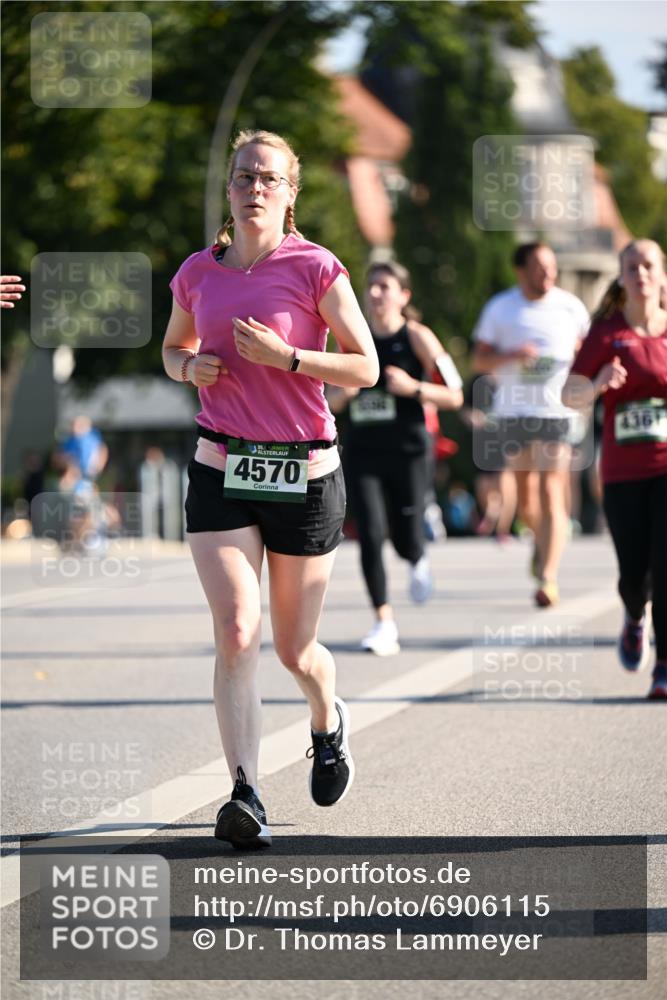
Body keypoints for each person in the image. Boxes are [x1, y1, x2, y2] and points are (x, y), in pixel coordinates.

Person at [162, 129, 378, 848]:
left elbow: (365, 367)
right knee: (236, 631)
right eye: (243, 176)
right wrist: (187, 369)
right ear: (228, 188)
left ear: (289, 195)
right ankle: (244, 792)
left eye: (268, 178)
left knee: (294, 651)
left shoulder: (315, 268)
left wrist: (289, 357)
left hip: (305, 474)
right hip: (221, 466)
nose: (253, 187)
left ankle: (326, 719)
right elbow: (173, 347)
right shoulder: (198, 271)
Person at [328, 261, 463, 656]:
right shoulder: (354, 338)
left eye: (384, 286)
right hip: (363, 450)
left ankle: (417, 556)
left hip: (409, 450)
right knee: (369, 533)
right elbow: (331, 401)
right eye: (370, 286)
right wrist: (348, 391)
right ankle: (383, 621)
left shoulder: (418, 337)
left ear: (404, 296)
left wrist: (413, 387)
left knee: (406, 532)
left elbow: (454, 394)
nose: (374, 293)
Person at [562, 239, 667, 699]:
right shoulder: (605, 332)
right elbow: (569, 394)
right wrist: (599, 384)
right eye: (631, 266)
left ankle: (663, 665)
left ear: (661, 275)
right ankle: (633, 613)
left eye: (647, 265)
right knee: (633, 572)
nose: (640, 273)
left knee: (665, 566)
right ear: (622, 277)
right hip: (623, 471)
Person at [472, 242, 590, 607]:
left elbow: (589, 350)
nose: (548, 273)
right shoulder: (501, 308)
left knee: (553, 489)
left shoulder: (571, 306)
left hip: (557, 413)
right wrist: (511, 355)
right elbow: (479, 360)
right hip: (515, 413)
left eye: (551, 266)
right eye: (540, 267)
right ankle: (541, 545)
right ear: (521, 270)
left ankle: (549, 577)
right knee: (526, 500)